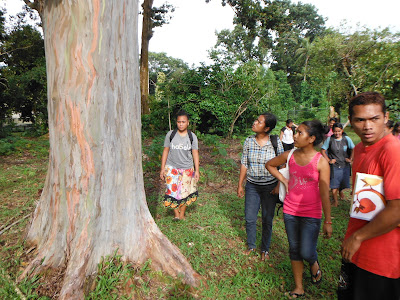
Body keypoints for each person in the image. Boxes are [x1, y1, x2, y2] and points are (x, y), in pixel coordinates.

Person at [338, 92, 400, 300]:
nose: (367, 126)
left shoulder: (392, 150)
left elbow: (397, 209)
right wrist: (353, 238)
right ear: (351, 121)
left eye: (374, 119)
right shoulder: (360, 149)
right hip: (357, 250)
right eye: (360, 120)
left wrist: (358, 237)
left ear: (385, 117)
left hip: (381, 259)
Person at [266, 120, 332, 298]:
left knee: (306, 251)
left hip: (312, 213)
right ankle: (298, 287)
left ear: (311, 138)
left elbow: (325, 194)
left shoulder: (321, 162)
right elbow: (270, 164)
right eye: (295, 132)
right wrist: (284, 180)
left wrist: (328, 221)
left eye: (300, 133)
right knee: (294, 249)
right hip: (290, 210)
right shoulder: (290, 155)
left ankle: (313, 262)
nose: (295, 135)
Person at [237, 112, 284, 261]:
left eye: (259, 121)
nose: (255, 122)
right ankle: (251, 245)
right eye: (256, 120)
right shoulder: (249, 141)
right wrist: (240, 184)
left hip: (269, 187)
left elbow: (282, 165)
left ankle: (265, 249)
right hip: (252, 186)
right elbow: (245, 163)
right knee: (250, 218)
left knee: (267, 219)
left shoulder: (275, 142)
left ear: (267, 128)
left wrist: (278, 185)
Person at [160, 110, 200, 220]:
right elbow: (165, 151)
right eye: (179, 122)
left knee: (184, 193)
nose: (181, 124)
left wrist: (197, 170)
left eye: (183, 122)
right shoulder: (170, 135)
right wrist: (162, 168)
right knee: (171, 190)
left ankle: (181, 214)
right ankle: (176, 214)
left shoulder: (192, 137)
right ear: (176, 122)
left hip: (187, 168)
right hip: (171, 167)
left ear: (188, 123)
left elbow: (195, 153)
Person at [321, 123, 355, 207]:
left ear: (342, 131)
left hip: (344, 165)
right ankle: (335, 201)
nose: (337, 133)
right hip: (334, 166)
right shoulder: (330, 139)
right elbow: (323, 150)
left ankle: (341, 192)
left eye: (339, 131)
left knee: (343, 182)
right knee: (334, 183)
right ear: (332, 131)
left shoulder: (346, 139)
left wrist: (350, 159)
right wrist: (329, 160)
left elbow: (353, 148)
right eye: (335, 131)